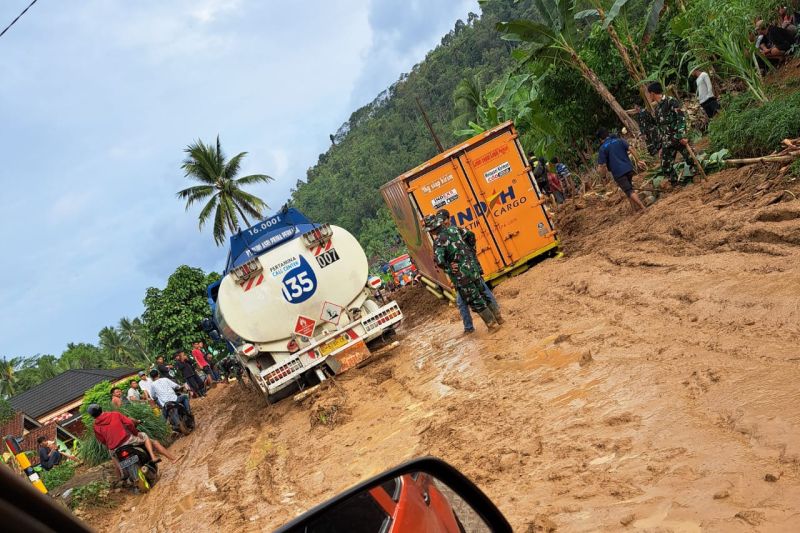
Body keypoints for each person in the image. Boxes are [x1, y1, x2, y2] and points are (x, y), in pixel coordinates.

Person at [426, 212, 499, 331]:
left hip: (462, 277)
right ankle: (499, 318)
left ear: (432, 230)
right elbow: (471, 235)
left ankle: (492, 325)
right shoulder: (455, 229)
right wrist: (470, 252)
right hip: (472, 269)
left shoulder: (439, 241)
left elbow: (439, 261)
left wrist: (449, 267)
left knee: (476, 300)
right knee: (484, 294)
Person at [88, 403, 178, 463]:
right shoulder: (115, 414)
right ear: (101, 409)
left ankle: (122, 475)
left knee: (113, 456)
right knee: (145, 436)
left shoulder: (95, 426)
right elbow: (129, 423)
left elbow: (102, 440)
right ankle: (155, 457)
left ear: (92, 416)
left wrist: (110, 446)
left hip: (115, 448)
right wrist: (136, 433)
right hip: (127, 440)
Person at [646, 81, 694, 186]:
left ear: (652, 93)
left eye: (649, 94)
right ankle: (676, 185)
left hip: (678, 138)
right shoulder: (657, 109)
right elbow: (661, 128)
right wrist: (661, 147)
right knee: (665, 166)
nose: (648, 96)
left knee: (691, 158)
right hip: (667, 142)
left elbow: (681, 118)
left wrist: (682, 135)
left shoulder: (670, 101)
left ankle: (697, 176)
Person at [597, 127, 647, 212]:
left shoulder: (603, 148)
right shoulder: (619, 140)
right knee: (629, 189)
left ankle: (643, 207)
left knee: (629, 190)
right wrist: (638, 160)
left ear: (600, 139)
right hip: (628, 168)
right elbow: (631, 148)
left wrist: (603, 177)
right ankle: (634, 210)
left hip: (618, 173)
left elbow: (602, 166)